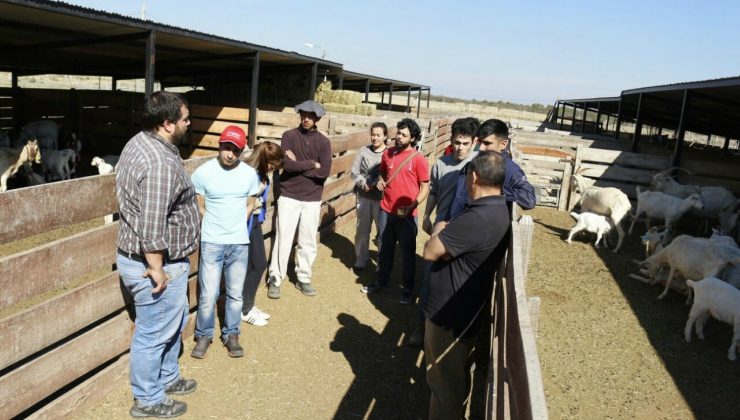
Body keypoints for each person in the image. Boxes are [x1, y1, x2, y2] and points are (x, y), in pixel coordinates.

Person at [116, 91, 199, 418]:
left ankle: (167, 377)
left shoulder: (139, 141)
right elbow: (151, 226)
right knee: (153, 332)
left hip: (151, 258)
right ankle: (147, 399)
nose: (189, 124)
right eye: (185, 119)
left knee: (172, 321)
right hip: (155, 262)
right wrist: (157, 268)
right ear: (167, 123)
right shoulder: (160, 164)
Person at [422, 151, 511, 420]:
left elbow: (430, 251)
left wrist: (440, 227)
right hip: (465, 308)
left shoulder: (477, 219)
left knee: (443, 383)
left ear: (473, 176)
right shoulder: (496, 210)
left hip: (448, 315)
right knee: (454, 378)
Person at [190, 125, 261, 359]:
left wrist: (238, 224)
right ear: (219, 145)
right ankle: (204, 335)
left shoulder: (249, 174)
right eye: (226, 148)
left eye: (235, 150)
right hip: (212, 241)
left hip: (238, 243)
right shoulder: (202, 173)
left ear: (241, 151)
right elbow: (200, 204)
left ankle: (232, 334)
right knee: (208, 293)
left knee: (235, 293)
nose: (230, 154)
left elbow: (250, 204)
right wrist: (212, 223)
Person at [408, 117, 479, 347]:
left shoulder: (479, 166)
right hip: (440, 229)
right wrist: (427, 215)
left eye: (465, 143)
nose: (460, 148)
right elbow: (435, 192)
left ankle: (450, 336)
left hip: (464, 233)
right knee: (429, 281)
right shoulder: (441, 164)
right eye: (456, 142)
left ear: (474, 142)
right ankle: (420, 329)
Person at [267, 100, 332, 298]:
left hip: (312, 198)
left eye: (311, 116)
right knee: (283, 238)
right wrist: (313, 164)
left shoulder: (323, 141)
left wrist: (298, 164)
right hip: (289, 195)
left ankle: (304, 277)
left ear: (317, 119)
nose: (306, 119)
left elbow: (325, 172)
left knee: (307, 240)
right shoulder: (289, 136)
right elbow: (286, 165)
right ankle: (276, 278)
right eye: (304, 115)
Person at [361, 118, 430, 304]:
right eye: (398, 133)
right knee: (385, 249)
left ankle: (408, 290)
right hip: (386, 210)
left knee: (408, 253)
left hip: (407, 214)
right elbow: (383, 172)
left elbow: (425, 187)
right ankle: (380, 282)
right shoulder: (388, 153)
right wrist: (381, 180)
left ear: (413, 138)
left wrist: (413, 205)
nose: (398, 137)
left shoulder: (418, 159)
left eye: (404, 135)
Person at [447, 118, 536, 219]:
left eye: (487, 143)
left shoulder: (510, 169)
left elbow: (529, 200)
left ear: (503, 144)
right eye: (480, 142)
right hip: (457, 226)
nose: (481, 147)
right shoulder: (471, 164)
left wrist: (495, 188)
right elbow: (458, 198)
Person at [240, 141, 284, 326]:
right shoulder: (247, 173)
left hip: (255, 222)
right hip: (245, 224)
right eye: (273, 165)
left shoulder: (261, 173)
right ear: (266, 160)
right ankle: (244, 309)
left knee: (258, 264)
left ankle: (247, 304)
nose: (274, 169)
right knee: (256, 264)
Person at [350, 122, 388, 269]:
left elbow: (389, 175)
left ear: (385, 136)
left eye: (378, 135)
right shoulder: (363, 151)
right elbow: (355, 171)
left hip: (381, 199)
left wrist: (379, 182)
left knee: (382, 231)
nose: (375, 138)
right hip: (364, 197)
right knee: (362, 229)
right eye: (373, 135)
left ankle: (381, 261)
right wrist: (362, 182)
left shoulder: (388, 154)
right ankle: (361, 258)